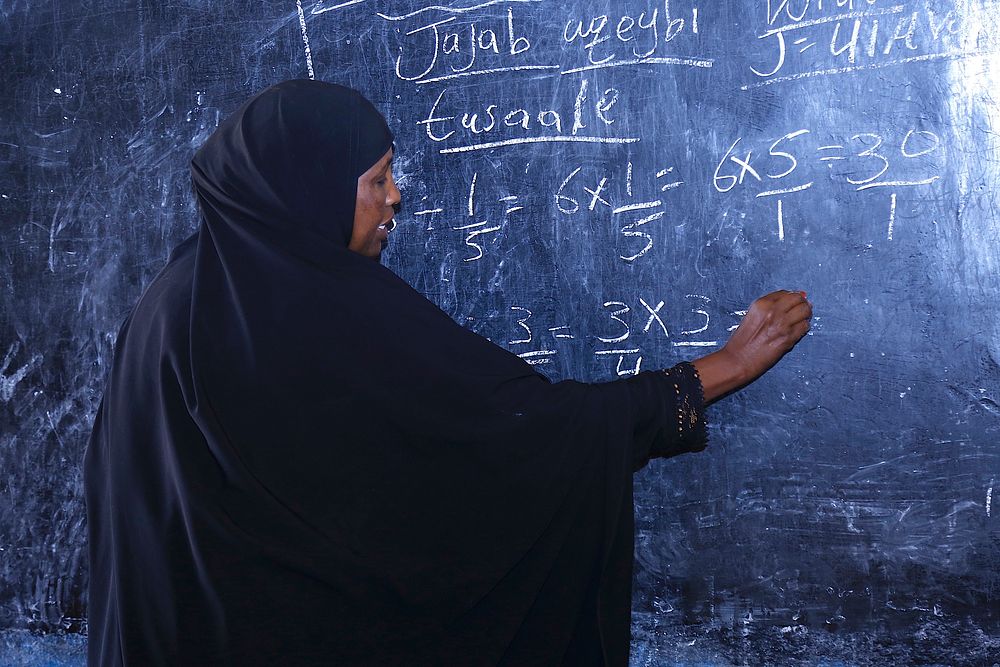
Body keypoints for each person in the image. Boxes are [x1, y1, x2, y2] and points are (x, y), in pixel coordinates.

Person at [83, 79, 811, 666]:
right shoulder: (317, 309)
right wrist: (725, 366)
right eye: (377, 178)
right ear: (310, 188)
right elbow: (524, 433)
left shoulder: (173, 297)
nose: (395, 195)